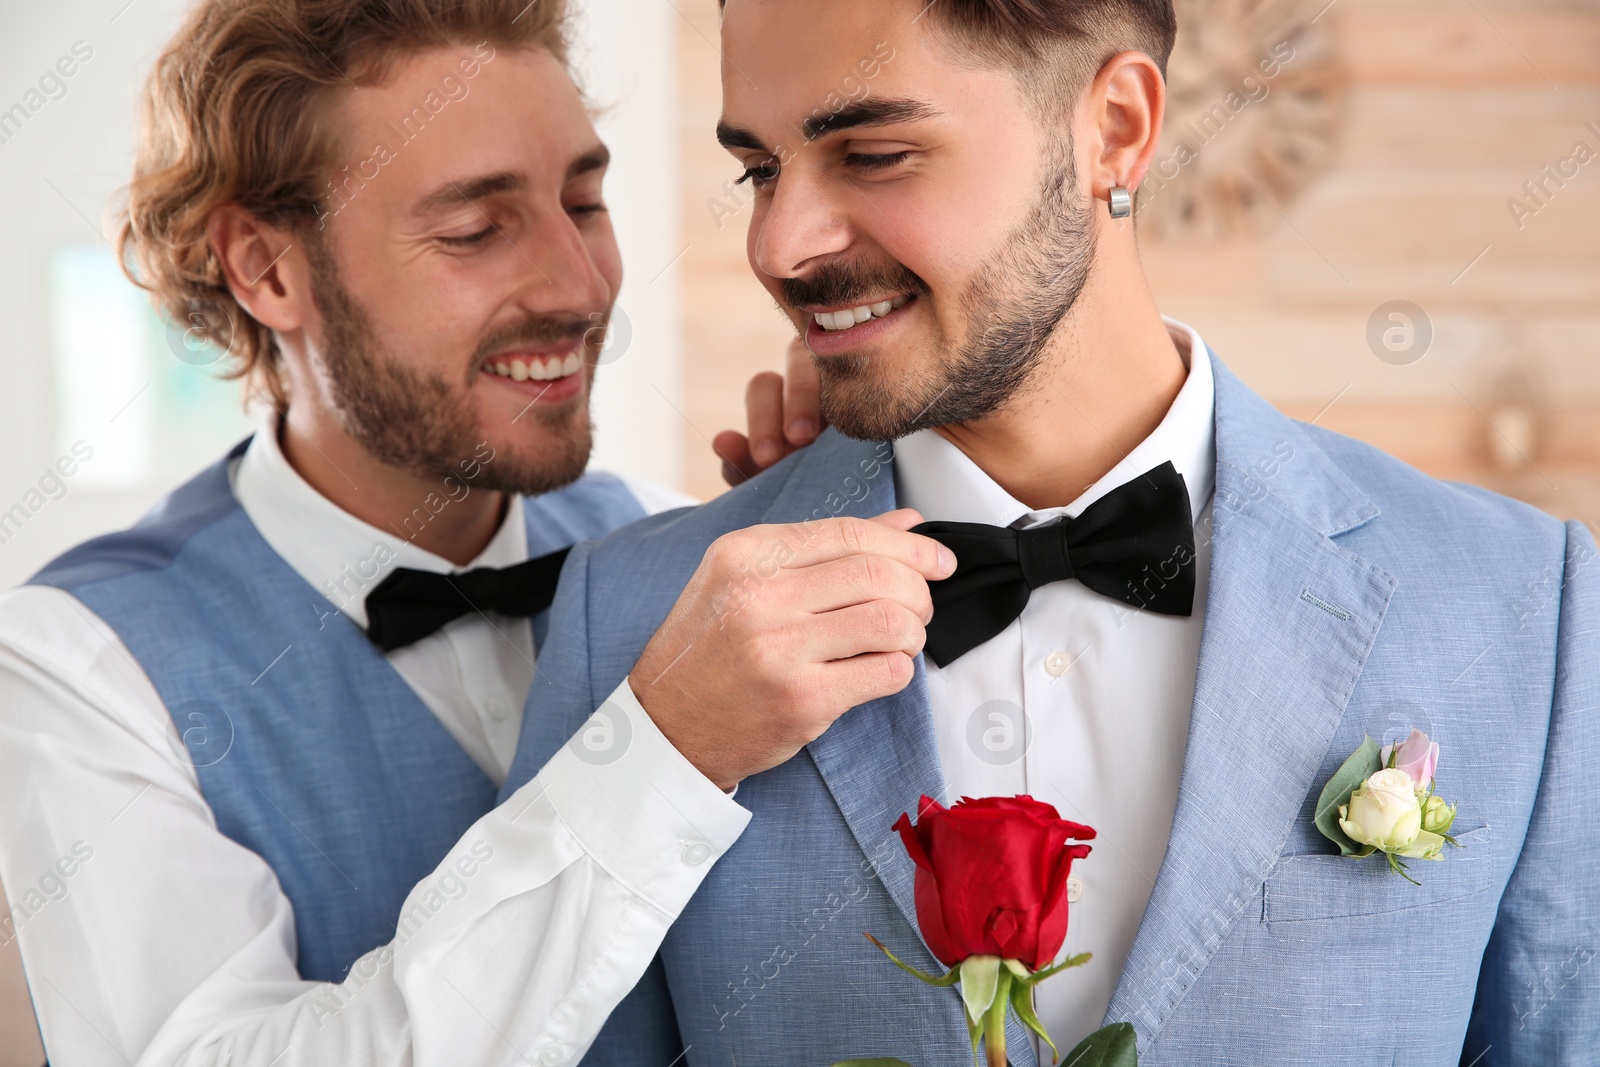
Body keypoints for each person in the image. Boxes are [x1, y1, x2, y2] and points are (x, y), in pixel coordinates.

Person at [500, 0, 1600, 1064]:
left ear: (1112, 129)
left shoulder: (1523, 611)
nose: (780, 244)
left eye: (874, 153)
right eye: (759, 169)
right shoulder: (631, 618)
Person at [0, 1, 827, 1063]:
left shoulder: (686, 558)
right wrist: (661, 752)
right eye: (475, 230)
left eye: (583, 200)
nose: (582, 289)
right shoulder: (77, 667)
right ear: (266, 269)